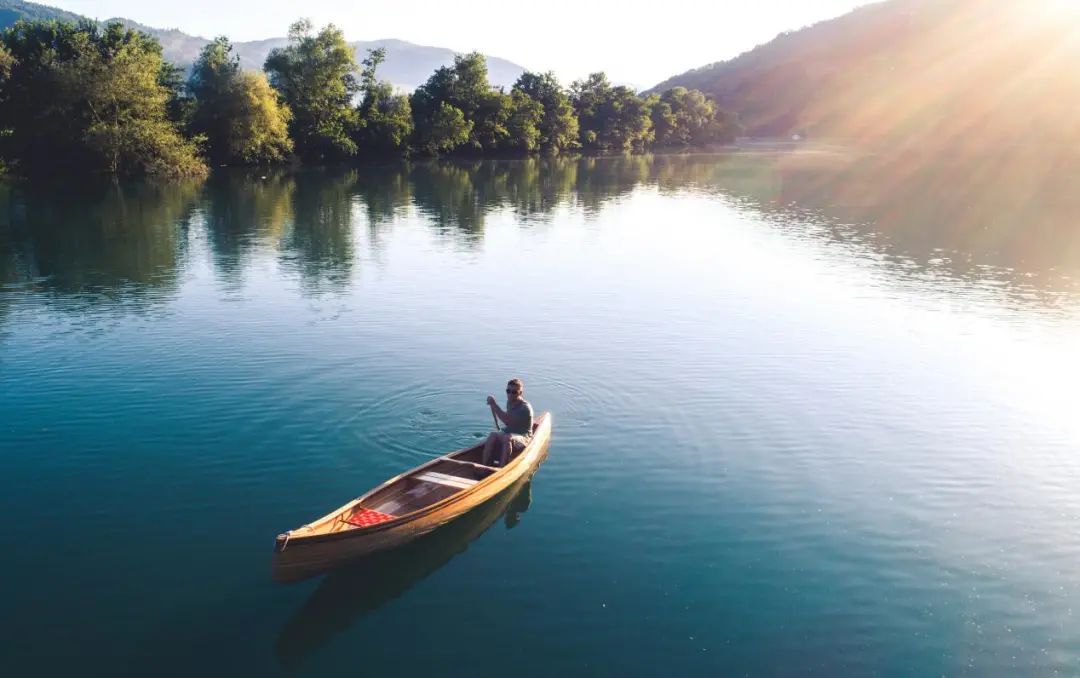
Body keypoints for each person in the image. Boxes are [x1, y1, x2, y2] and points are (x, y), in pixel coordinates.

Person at [482, 378, 534, 466]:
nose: (510, 394)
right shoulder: (510, 402)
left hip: (524, 437)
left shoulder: (524, 408)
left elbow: (506, 420)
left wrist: (494, 404)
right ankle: (484, 466)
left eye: (514, 392)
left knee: (507, 438)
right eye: (508, 391)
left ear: (520, 393)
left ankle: (502, 469)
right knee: (492, 435)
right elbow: (508, 421)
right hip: (510, 432)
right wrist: (493, 404)